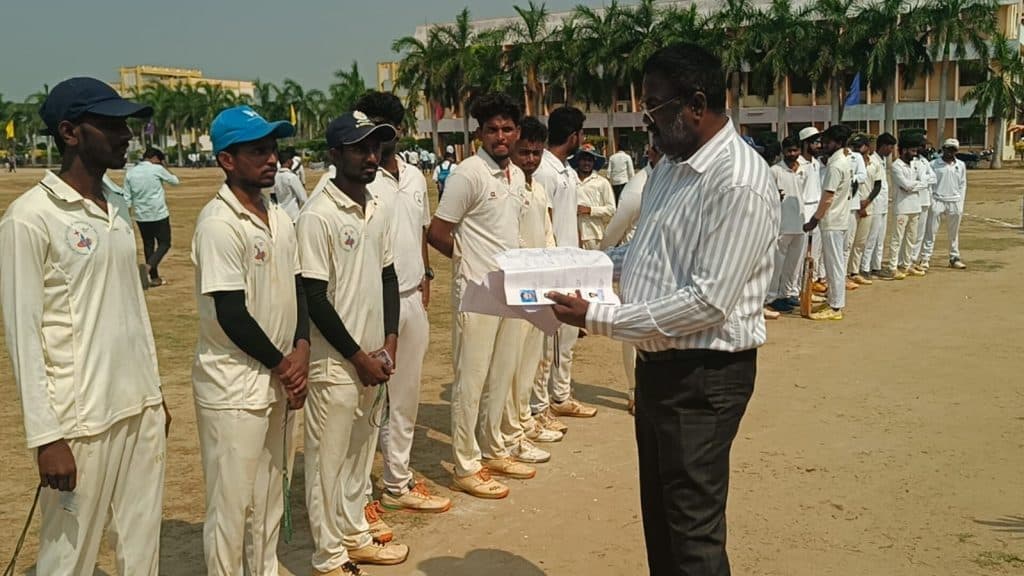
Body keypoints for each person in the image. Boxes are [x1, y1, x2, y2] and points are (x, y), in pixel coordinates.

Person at [547, 43, 778, 576]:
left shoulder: (738, 181)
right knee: (663, 519)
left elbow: (708, 301)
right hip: (658, 369)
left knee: (692, 533)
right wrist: (573, 267)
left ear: (696, 104)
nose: (645, 120)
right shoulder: (671, 168)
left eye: (654, 106)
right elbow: (645, 254)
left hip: (703, 378)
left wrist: (598, 318)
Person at [0, 76, 168, 575]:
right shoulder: (30, 218)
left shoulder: (116, 207)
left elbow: (132, 310)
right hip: (80, 423)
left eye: (126, 125)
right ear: (70, 133)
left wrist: (154, 394)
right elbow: (23, 337)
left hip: (138, 408)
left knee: (142, 550)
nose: (126, 135)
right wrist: (46, 437)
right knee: (67, 559)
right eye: (111, 125)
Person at [190, 106, 308, 575]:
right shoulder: (219, 223)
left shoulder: (278, 215)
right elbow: (231, 313)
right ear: (227, 159)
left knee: (271, 492)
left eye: (273, 148)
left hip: (280, 374)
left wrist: (301, 349)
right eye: (257, 150)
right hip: (234, 383)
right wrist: (285, 364)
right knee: (231, 504)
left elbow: (298, 288)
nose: (271, 158)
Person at [297, 111, 409, 574]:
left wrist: (389, 343)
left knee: (360, 456)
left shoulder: (376, 206)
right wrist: (357, 356)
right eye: (360, 148)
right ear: (334, 154)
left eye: (375, 147)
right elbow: (314, 298)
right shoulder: (317, 214)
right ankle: (328, 555)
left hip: (372, 357)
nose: (371, 157)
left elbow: (388, 277)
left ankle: (354, 534)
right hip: (335, 363)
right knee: (328, 462)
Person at [427, 93, 536, 499]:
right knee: (470, 381)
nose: (500, 136)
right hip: (477, 290)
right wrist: (468, 265)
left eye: (507, 129)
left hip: (510, 288)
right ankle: (466, 464)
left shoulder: (516, 175)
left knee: (500, 374)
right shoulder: (468, 174)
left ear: (517, 132)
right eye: (492, 130)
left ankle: (494, 448)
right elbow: (438, 232)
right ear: (480, 133)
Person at [357, 92, 451, 518]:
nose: (381, 135)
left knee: (406, 396)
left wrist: (426, 274)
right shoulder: (358, 177)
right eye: (372, 126)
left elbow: (420, 230)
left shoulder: (413, 175)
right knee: (369, 402)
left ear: (399, 130)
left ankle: (398, 480)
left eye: (388, 126)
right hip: (373, 303)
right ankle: (359, 496)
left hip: (412, 296)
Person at [532, 106, 598, 430]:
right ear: (573, 136)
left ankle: (561, 395)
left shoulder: (566, 171)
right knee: (549, 341)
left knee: (569, 336)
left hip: (572, 262)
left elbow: (570, 219)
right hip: (553, 265)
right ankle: (541, 405)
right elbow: (544, 220)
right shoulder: (544, 170)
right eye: (581, 134)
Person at [504, 116, 563, 466]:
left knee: (531, 359)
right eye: (524, 152)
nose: (530, 160)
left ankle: (524, 420)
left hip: (539, 286)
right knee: (511, 365)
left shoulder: (538, 188)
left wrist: (551, 271)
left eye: (536, 153)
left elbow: (547, 234)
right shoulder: (508, 187)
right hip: (516, 285)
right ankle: (511, 432)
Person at [600, 143, 663, 415]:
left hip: (666, 266)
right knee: (633, 330)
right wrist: (602, 262)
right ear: (652, 153)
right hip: (636, 265)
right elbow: (614, 231)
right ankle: (634, 390)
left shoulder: (673, 179)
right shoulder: (637, 188)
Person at [804, 124, 853, 321]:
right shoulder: (841, 161)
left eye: (828, 142)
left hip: (832, 220)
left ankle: (835, 306)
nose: (824, 145)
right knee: (833, 263)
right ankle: (833, 298)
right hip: (838, 219)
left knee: (834, 265)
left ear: (838, 143)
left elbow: (828, 197)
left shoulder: (836, 165)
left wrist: (814, 219)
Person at [124, 146, 179, 287]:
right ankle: (148, 267)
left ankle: (154, 278)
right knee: (165, 243)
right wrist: (165, 167)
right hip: (158, 213)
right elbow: (175, 181)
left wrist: (128, 216)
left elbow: (127, 198)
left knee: (148, 245)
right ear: (154, 158)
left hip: (141, 215)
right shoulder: (157, 169)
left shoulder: (130, 172)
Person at [766, 136, 807, 314]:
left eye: (795, 150)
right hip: (782, 225)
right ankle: (772, 297)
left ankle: (787, 294)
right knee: (778, 264)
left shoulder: (804, 169)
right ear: (783, 151)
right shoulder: (775, 171)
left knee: (794, 263)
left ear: (800, 150)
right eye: (789, 151)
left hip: (800, 223)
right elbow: (768, 195)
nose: (792, 154)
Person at [879, 134, 927, 280]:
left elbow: (925, 182)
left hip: (915, 206)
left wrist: (914, 185)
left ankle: (906, 265)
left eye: (916, 151)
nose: (915, 154)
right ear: (904, 150)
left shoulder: (915, 164)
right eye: (912, 151)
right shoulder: (896, 166)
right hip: (902, 207)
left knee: (911, 238)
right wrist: (916, 184)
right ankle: (892, 267)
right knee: (897, 238)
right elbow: (905, 185)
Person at [921, 138, 968, 269]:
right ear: (943, 149)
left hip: (954, 201)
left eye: (953, 150)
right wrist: (931, 200)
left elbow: (963, 184)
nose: (950, 152)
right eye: (948, 149)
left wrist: (960, 202)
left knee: (954, 233)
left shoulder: (961, 165)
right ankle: (925, 258)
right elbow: (929, 183)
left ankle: (954, 257)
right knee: (930, 231)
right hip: (937, 200)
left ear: (956, 151)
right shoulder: (933, 164)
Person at [846, 134, 882, 286]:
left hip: (867, 206)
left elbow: (878, 185)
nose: (856, 149)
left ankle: (855, 272)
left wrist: (866, 202)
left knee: (860, 242)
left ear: (867, 147)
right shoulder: (850, 161)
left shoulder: (875, 163)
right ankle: (844, 274)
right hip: (851, 206)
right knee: (848, 242)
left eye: (859, 146)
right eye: (854, 146)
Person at [862, 133, 896, 279]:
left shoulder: (882, 161)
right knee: (871, 238)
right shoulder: (872, 161)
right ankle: (865, 267)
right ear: (882, 146)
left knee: (880, 239)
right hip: (874, 204)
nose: (891, 150)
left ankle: (876, 266)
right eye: (890, 147)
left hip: (883, 205)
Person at [797, 127, 827, 294]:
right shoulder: (798, 163)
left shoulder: (816, 163)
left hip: (816, 207)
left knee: (816, 249)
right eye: (815, 142)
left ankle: (812, 282)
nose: (819, 145)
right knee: (802, 251)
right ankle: (799, 286)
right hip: (803, 208)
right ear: (806, 143)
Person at [574, 144, 616, 250]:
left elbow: (611, 209)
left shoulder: (602, 182)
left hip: (594, 235)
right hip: (572, 233)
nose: (586, 163)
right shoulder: (570, 180)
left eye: (590, 160)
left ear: (594, 162)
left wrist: (590, 210)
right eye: (583, 159)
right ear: (578, 161)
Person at [910, 145, 938, 273]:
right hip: (913, 201)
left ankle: (913, 260)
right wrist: (924, 180)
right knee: (911, 233)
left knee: (920, 234)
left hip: (925, 201)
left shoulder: (924, 160)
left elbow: (933, 178)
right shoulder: (909, 161)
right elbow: (912, 182)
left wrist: (923, 180)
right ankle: (906, 261)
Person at [273, 149, 309, 222]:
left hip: (280, 215)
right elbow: (303, 198)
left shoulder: (275, 176)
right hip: (293, 215)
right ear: (289, 161)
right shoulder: (291, 177)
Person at [607, 139, 635, 204]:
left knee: (617, 197)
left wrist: (608, 177)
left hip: (614, 181)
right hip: (624, 180)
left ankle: (617, 208)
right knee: (624, 197)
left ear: (617, 148)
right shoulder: (627, 157)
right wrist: (632, 180)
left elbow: (609, 170)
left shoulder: (612, 157)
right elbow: (630, 170)